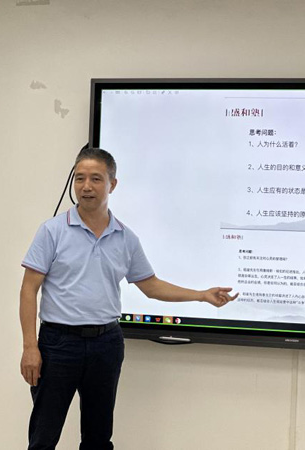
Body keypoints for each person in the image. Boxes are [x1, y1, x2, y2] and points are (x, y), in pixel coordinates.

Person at [19, 147, 237, 450]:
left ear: (112, 184)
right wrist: (30, 347)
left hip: (105, 345)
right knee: (44, 437)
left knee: (98, 438)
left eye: (96, 179)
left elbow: (151, 286)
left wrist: (201, 295)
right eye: (79, 178)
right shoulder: (52, 231)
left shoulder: (125, 237)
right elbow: (28, 289)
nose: (86, 186)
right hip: (58, 344)